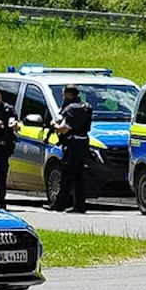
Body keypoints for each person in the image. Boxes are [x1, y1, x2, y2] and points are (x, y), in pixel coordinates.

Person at [50, 84, 95, 213]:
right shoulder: (85, 107)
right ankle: (80, 205)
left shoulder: (71, 108)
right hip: (83, 142)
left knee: (67, 175)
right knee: (79, 175)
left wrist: (54, 125)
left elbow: (64, 129)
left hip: (73, 143)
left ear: (68, 94)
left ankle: (60, 205)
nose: (63, 96)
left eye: (64, 93)